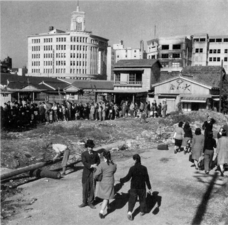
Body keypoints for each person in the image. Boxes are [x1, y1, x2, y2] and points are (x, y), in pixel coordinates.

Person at [120, 154, 152, 221]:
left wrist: (121, 180)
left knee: (132, 200)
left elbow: (127, 177)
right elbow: (147, 179)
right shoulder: (144, 168)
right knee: (142, 199)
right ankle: (142, 211)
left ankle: (129, 212)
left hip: (133, 187)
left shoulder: (132, 168)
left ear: (135, 160)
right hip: (142, 187)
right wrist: (149, 187)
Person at [94, 151, 117, 219]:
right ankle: (108, 206)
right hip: (110, 181)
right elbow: (114, 171)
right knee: (107, 195)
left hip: (103, 182)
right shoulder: (114, 165)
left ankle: (101, 211)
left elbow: (96, 174)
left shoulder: (102, 164)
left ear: (104, 157)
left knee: (106, 196)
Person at [79, 140, 100, 209]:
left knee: (92, 187)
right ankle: (84, 202)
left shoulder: (96, 153)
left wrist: (96, 165)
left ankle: (90, 202)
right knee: (85, 188)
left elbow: (98, 161)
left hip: (93, 172)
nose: (89, 148)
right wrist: (91, 165)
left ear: (92, 147)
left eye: (91, 147)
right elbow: (84, 162)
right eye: (88, 147)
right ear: (86, 147)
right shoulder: (84, 154)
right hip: (86, 173)